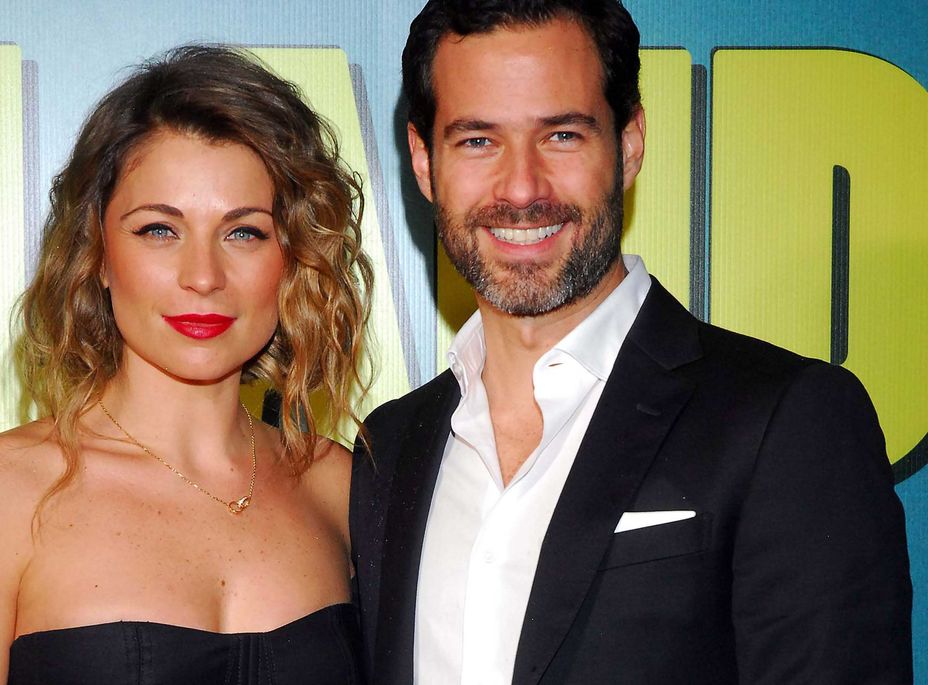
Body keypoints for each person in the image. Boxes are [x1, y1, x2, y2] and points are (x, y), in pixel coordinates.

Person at [350, 1, 913, 683]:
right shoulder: (390, 448)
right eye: (477, 140)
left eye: (562, 135)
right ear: (423, 161)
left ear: (630, 142)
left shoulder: (787, 421)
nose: (522, 188)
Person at [0, 45, 371, 684]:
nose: (203, 276)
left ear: (291, 259)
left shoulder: (337, 486)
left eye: (244, 232)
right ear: (97, 253)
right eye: (159, 230)